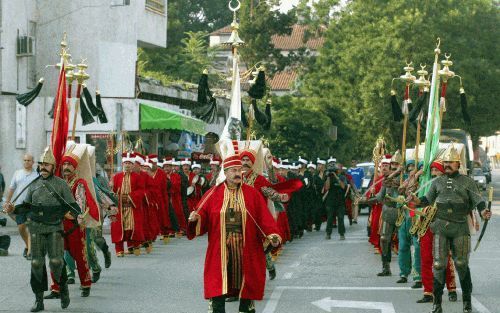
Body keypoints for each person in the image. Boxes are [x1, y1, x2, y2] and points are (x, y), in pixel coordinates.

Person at [187, 151, 281, 313]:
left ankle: (246, 307)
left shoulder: (252, 194)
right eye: (234, 170)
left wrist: (272, 234)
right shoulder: (213, 193)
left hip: (246, 244)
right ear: (225, 172)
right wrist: (195, 218)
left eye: (239, 170)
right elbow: (201, 213)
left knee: (247, 277)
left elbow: (264, 218)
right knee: (219, 279)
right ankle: (216, 307)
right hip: (221, 245)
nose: (238, 173)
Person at [410, 144, 490, 313]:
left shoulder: (467, 182)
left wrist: (484, 212)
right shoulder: (437, 182)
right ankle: (437, 304)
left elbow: (478, 201)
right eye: (445, 162)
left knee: (461, 263)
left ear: (458, 164)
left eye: (451, 162)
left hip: (460, 226)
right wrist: (416, 201)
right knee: (438, 264)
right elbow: (427, 200)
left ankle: (466, 302)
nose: (447, 165)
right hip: (440, 226)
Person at [4, 146, 80, 311]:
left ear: (53, 167)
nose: (43, 167)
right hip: (36, 227)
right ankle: (39, 300)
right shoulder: (33, 184)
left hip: (54, 227)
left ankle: (63, 289)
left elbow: (73, 207)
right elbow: (25, 207)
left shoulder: (60, 184)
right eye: (41, 164)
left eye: (47, 164)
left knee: (56, 261)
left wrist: (75, 214)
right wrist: (13, 209)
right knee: (37, 264)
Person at [415, 160, 457, 304]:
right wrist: (414, 200)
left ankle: (451, 289)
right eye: (432, 171)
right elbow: (424, 201)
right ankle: (428, 292)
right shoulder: (429, 187)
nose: (433, 173)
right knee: (426, 259)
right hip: (427, 226)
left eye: (437, 170)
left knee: (444, 260)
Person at [3, 154, 38, 259]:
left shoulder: (37, 175)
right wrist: (7, 202)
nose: (26, 162)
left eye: (29, 160)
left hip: (32, 205)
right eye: (25, 160)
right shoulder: (17, 173)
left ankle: (30, 252)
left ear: (33, 162)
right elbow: (11, 188)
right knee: (21, 227)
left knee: (31, 227)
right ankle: (28, 247)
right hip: (19, 205)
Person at [110, 153, 145, 257]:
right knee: (119, 228)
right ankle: (119, 249)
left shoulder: (137, 177)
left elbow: (141, 191)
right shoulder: (117, 177)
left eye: (129, 163)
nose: (127, 165)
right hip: (119, 207)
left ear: (133, 164)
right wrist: (112, 189)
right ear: (122, 164)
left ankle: (132, 246)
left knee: (131, 227)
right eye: (126, 163)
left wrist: (131, 197)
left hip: (131, 206)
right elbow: (113, 192)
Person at [323, 163, 347, 240]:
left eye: (338, 169)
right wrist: (328, 177)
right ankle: (328, 233)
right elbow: (326, 188)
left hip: (340, 201)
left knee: (340, 218)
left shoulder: (342, 177)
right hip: (331, 201)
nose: (337, 170)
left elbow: (343, 186)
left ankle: (342, 234)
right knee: (330, 218)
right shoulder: (329, 177)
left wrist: (336, 176)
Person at [347, 159, 364, 223]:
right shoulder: (349, 170)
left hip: (358, 189)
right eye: (352, 162)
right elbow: (348, 180)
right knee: (352, 204)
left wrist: (361, 187)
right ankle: (353, 216)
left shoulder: (360, 170)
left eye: (354, 162)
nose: (353, 163)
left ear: (356, 162)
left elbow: (362, 179)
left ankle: (355, 219)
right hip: (351, 189)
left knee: (356, 203)